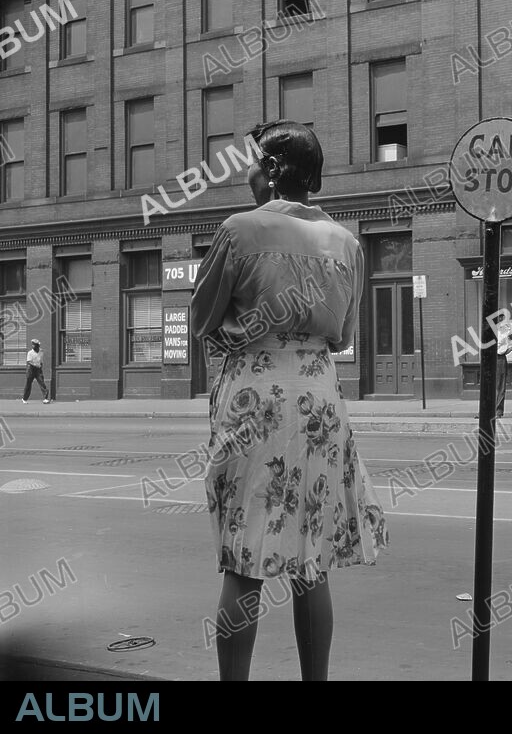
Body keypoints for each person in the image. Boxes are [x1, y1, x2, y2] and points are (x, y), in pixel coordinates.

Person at [191, 120, 388, 681]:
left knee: (244, 556)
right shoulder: (346, 242)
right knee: (312, 557)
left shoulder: (240, 230)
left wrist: (243, 326)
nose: (249, 172)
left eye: (254, 162)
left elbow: (202, 318)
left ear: (273, 170)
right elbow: (344, 334)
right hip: (320, 396)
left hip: (256, 396)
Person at [494, 312, 512, 419]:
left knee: (499, 386)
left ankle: (498, 411)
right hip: (488, 359)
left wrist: (510, 349)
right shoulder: (489, 330)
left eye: (501, 317)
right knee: (488, 386)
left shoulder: (505, 330)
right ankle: (486, 411)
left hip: (499, 358)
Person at [23, 339, 50, 404]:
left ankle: (45, 398)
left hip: (38, 370)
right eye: (33, 345)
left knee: (42, 383)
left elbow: (41, 360)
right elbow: (29, 362)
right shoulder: (30, 353)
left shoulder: (41, 352)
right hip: (31, 369)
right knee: (28, 384)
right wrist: (36, 365)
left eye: (35, 345)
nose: (33, 346)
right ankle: (24, 398)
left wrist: (40, 366)